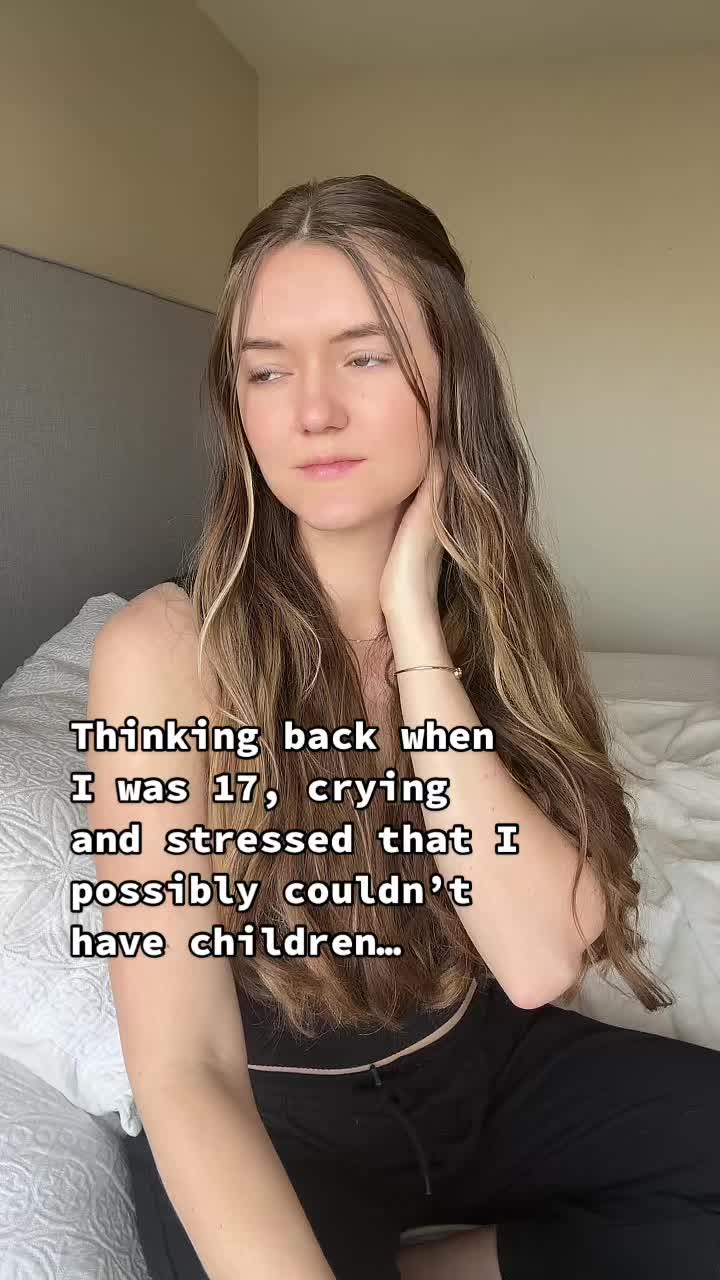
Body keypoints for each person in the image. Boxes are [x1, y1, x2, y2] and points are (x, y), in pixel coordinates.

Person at [86, 174, 720, 1280]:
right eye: (266, 370)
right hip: (276, 1113)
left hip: (479, 1053)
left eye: (365, 356)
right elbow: (184, 1064)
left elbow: (538, 958)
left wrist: (417, 632)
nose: (313, 411)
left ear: (450, 377)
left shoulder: (500, 612)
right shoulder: (164, 651)